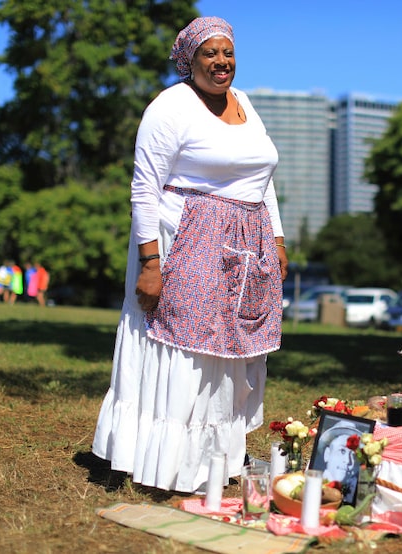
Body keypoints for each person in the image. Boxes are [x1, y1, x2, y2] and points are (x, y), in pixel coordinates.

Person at [92, 16, 288, 494]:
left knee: (230, 352)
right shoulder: (170, 107)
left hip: (246, 244)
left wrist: (278, 241)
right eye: (209, 54)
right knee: (185, 348)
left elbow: (263, 179)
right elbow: (144, 190)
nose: (221, 63)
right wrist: (151, 264)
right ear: (189, 60)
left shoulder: (245, 104)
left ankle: (222, 459)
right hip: (184, 240)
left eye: (227, 53)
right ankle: (171, 464)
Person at [313, 422, 361, 505]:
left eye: (353, 455)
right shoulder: (314, 485)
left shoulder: (352, 493)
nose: (347, 461)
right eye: (342, 451)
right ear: (327, 454)